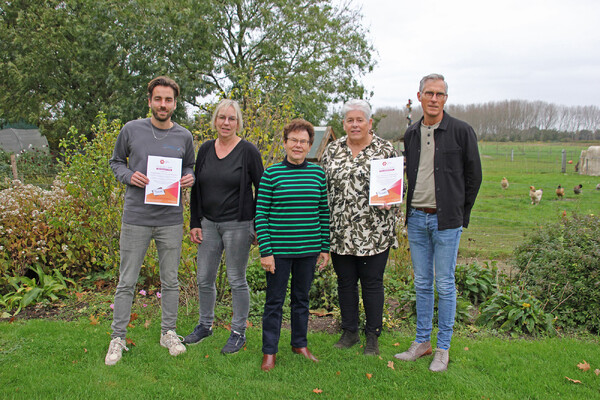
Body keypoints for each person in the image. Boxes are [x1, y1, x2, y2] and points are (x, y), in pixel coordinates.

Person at [105, 76, 195, 365]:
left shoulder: (184, 136)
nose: (163, 104)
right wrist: (129, 176)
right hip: (136, 217)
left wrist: (191, 177)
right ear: (149, 101)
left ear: (174, 104)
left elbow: (190, 166)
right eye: (158, 99)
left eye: (168, 100)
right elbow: (116, 162)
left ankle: (168, 332)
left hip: (170, 218)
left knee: (170, 281)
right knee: (126, 281)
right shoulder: (131, 130)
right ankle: (118, 337)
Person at [394, 73, 482, 372]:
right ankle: (422, 342)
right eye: (429, 93)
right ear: (419, 96)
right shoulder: (412, 133)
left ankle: (442, 348)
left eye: (440, 94)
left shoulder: (461, 131)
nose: (434, 99)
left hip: (446, 221)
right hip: (417, 218)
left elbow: (474, 177)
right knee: (421, 283)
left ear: (446, 98)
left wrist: (459, 213)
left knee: (444, 284)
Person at [183, 99, 264, 354]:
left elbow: (262, 190)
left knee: (236, 279)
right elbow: (196, 188)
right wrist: (195, 221)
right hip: (208, 223)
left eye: (231, 118)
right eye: (222, 118)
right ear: (215, 121)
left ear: (238, 122)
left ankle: (238, 332)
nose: (226, 123)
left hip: (238, 224)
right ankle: (205, 325)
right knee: (204, 277)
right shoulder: (206, 149)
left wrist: (258, 227)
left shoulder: (248, 151)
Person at [321, 99, 398, 356]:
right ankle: (349, 331)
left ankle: (373, 335)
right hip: (340, 230)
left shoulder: (385, 150)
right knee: (345, 282)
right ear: (343, 124)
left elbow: (399, 187)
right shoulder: (333, 150)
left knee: (372, 283)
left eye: (359, 120)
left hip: (374, 231)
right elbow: (323, 188)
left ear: (369, 123)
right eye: (350, 120)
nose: (355, 125)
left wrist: (391, 199)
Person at [256, 119, 330, 372]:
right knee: (274, 302)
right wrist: (266, 252)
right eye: (294, 140)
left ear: (310, 146)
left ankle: (300, 344)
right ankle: (269, 351)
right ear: (285, 143)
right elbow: (261, 215)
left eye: (304, 142)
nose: (298, 145)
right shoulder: (272, 174)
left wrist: (324, 247)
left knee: (302, 300)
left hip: (308, 251)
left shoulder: (317, 174)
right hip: (279, 252)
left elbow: (323, 212)